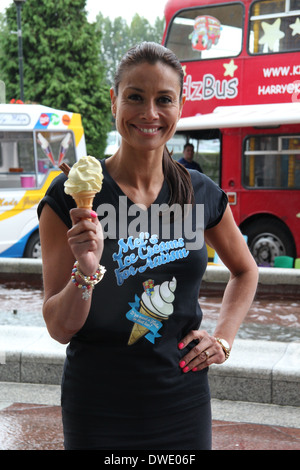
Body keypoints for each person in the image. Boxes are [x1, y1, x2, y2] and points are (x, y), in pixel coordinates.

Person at [38, 42, 258, 450]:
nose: (149, 114)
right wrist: (86, 271)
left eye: (164, 100)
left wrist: (223, 340)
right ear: (114, 101)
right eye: (135, 97)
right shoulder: (70, 196)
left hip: (182, 400)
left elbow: (246, 270)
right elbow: (59, 328)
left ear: (180, 105)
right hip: (97, 402)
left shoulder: (200, 192)